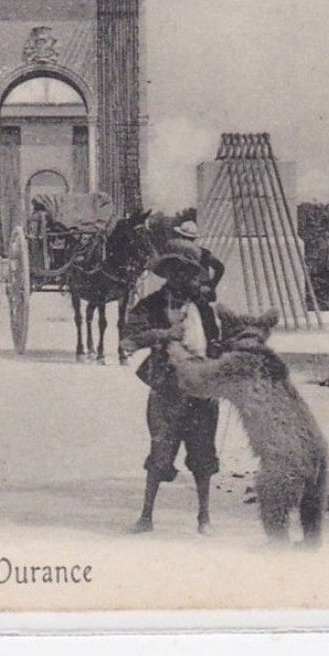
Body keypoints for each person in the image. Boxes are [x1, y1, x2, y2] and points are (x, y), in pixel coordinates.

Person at [118, 255, 222, 529]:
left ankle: (204, 518)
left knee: (203, 455)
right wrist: (163, 335)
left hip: (202, 388)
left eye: (191, 274)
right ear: (170, 276)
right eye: (182, 274)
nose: (189, 280)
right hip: (168, 389)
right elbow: (128, 341)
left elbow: (216, 341)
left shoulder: (203, 306)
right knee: (160, 453)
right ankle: (146, 517)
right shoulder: (150, 306)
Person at [156, 220, 224, 357]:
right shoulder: (203, 253)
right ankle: (213, 341)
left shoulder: (176, 254)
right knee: (207, 313)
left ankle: (161, 342)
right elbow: (219, 267)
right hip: (196, 289)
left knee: (160, 307)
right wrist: (211, 285)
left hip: (184, 289)